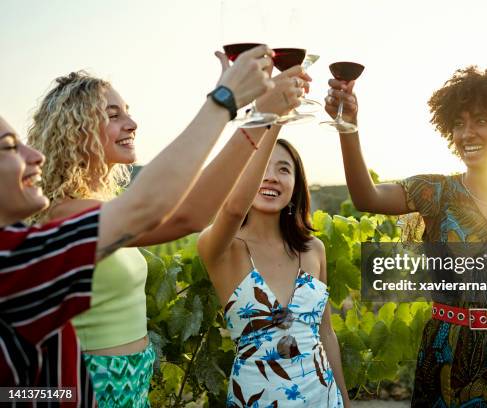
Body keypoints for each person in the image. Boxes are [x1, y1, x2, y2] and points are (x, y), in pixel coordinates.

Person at [25, 52, 308, 406]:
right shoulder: (64, 213)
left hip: (127, 386)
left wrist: (263, 118)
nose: (131, 123)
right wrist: (244, 112)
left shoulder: (100, 206)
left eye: (127, 110)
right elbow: (184, 216)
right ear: (75, 129)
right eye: (113, 115)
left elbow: (191, 203)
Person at [324, 65, 487, 407]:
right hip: (449, 358)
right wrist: (348, 127)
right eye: (458, 123)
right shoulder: (435, 193)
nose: (466, 133)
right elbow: (366, 197)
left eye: (481, 121)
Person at [198, 133, 350, 406]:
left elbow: (325, 333)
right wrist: (274, 118)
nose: (271, 177)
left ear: (295, 184)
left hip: (323, 398)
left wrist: (345, 401)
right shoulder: (222, 248)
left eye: (283, 169)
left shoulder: (314, 249)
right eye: (261, 166)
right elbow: (233, 211)